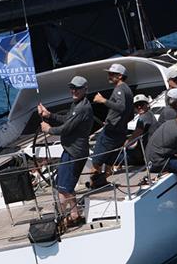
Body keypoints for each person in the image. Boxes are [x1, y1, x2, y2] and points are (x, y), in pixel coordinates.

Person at [38, 76, 94, 228]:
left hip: (74, 153)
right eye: (72, 87)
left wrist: (48, 129)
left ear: (85, 89)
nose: (74, 90)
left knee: (62, 190)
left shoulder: (82, 108)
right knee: (65, 187)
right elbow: (66, 120)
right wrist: (49, 115)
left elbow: (65, 129)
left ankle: (59, 220)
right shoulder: (76, 105)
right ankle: (75, 214)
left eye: (77, 88)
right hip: (70, 151)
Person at [89, 63, 134, 181]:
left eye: (112, 74)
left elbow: (121, 107)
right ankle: (103, 181)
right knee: (109, 161)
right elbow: (130, 114)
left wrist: (102, 100)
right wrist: (116, 120)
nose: (109, 76)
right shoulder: (128, 90)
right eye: (109, 73)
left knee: (96, 161)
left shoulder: (120, 89)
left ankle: (95, 184)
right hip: (121, 131)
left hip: (111, 132)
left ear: (120, 76)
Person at [125, 94, 157, 166]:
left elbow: (137, 133)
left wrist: (126, 143)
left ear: (147, 104)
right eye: (136, 105)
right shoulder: (149, 114)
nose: (139, 107)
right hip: (150, 149)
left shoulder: (144, 117)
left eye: (141, 104)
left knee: (118, 156)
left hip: (149, 151)